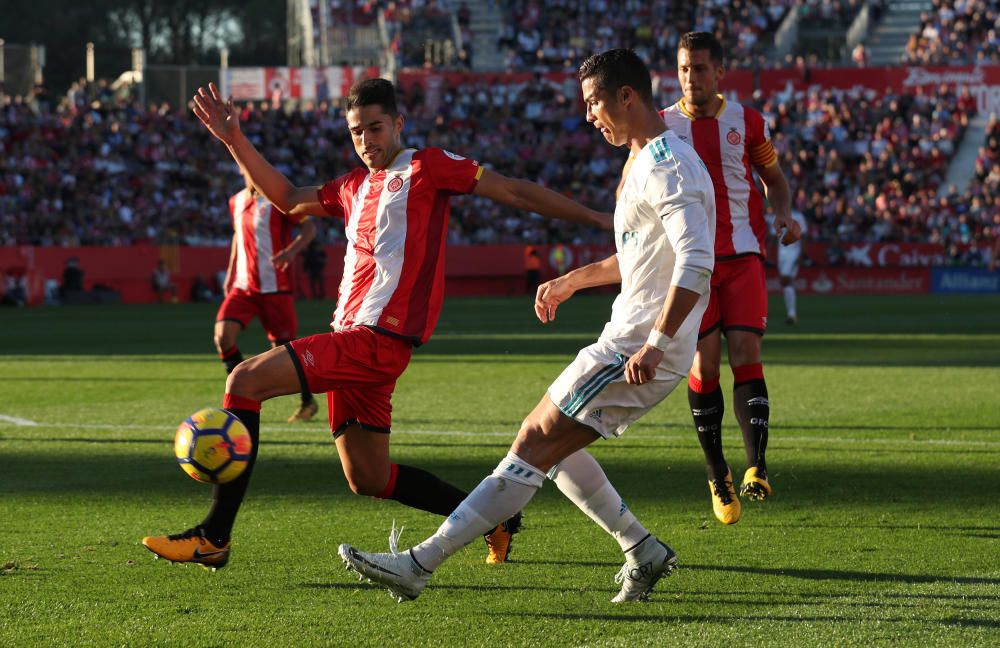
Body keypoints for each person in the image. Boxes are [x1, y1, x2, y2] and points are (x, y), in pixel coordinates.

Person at [141, 78, 611, 570]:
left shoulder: (426, 167)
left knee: (244, 380)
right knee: (368, 477)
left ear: (399, 125)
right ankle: (494, 520)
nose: (366, 140)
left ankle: (213, 536)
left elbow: (512, 191)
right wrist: (232, 138)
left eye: (375, 127)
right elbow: (284, 197)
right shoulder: (350, 187)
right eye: (356, 132)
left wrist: (598, 218)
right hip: (356, 343)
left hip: (377, 339)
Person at [338, 49, 716, 603]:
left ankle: (420, 563)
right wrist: (572, 281)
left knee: (533, 440)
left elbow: (696, 260)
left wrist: (657, 343)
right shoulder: (642, 160)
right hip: (633, 339)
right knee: (553, 450)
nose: (589, 115)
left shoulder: (668, 164)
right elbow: (641, 256)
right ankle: (642, 549)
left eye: (593, 103)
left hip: (636, 346)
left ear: (627, 97)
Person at [658, 32, 801, 524]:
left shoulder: (748, 122)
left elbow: (774, 181)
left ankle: (757, 465)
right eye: (682, 69)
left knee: (747, 353)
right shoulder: (662, 127)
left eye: (699, 68)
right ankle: (716, 471)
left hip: (742, 255)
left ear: (719, 73)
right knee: (706, 364)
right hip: (693, 262)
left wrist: (783, 215)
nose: (690, 78)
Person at [215, 172, 320, 423]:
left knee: (283, 353)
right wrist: (230, 273)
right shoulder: (236, 201)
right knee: (223, 336)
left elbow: (309, 228)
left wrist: (290, 252)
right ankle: (240, 394)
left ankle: (307, 401)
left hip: (275, 287)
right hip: (243, 286)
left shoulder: (276, 201)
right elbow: (237, 238)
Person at [770, 208, 807, 324]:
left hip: (793, 253)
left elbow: (804, 236)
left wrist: (802, 254)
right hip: (782, 254)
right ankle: (791, 314)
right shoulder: (777, 216)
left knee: (786, 279)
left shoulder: (798, 216)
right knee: (786, 282)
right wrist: (771, 253)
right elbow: (773, 236)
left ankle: (792, 314)